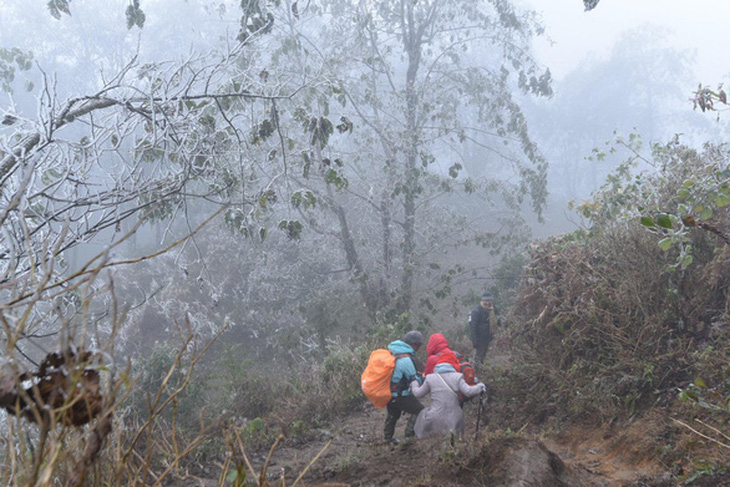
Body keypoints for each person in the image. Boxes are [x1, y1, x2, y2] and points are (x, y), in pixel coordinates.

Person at [409, 352, 486, 439]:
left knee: (434, 439)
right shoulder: (458, 377)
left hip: (434, 416)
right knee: (453, 442)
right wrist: (480, 386)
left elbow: (418, 394)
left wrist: (414, 383)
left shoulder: (430, 378)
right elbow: (468, 391)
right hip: (454, 418)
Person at [383, 330, 425, 445]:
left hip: (389, 393)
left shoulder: (393, 353)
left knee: (393, 415)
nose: (419, 348)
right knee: (420, 411)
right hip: (401, 395)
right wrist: (423, 379)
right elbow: (413, 378)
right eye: (418, 345)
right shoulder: (406, 359)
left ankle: (387, 438)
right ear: (414, 345)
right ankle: (409, 436)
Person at [469, 292, 500, 366]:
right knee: (478, 357)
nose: (487, 303)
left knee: (487, 357)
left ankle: (485, 370)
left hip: (491, 337)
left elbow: (498, 321)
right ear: (482, 301)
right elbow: (473, 327)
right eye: (486, 301)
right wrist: (475, 341)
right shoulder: (477, 311)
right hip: (480, 338)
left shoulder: (494, 309)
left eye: (489, 301)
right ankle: (476, 373)